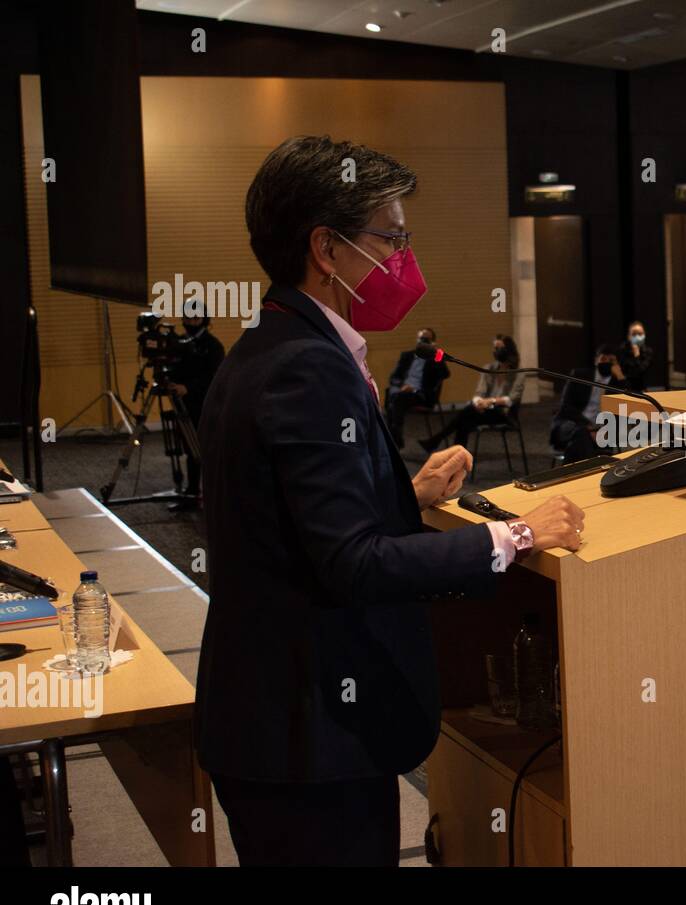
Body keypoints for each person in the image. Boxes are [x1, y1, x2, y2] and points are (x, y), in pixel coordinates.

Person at [196, 135, 584, 866]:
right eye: (392, 237)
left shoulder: (270, 339)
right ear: (328, 249)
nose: (404, 258)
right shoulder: (308, 367)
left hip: (276, 723)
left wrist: (400, 491)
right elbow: (351, 564)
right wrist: (517, 538)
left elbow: (288, 520)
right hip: (307, 737)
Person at [166, 299, 225, 510]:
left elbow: (214, 377)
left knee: (200, 450)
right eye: (187, 318)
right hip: (184, 406)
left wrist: (188, 388)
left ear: (204, 319)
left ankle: (206, 493)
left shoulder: (213, 346)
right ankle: (191, 491)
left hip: (205, 405)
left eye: (195, 318)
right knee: (188, 450)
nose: (191, 322)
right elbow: (174, 369)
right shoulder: (180, 344)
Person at [421, 334, 524, 451]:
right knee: (465, 421)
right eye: (494, 348)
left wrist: (490, 401)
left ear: (509, 350)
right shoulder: (488, 368)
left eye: (499, 348)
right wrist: (478, 402)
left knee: (466, 415)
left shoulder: (519, 372)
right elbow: (479, 392)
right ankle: (454, 454)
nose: (496, 351)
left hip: (504, 414)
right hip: (484, 410)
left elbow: (512, 399)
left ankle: (439, 443)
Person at [551, 343, 624, 462]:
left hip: (602, 430)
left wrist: (621, 376)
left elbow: (628, 404)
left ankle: (571, 473)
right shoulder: (579, 376)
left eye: (611, 360)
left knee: (578, 444)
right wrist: (589, 427)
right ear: (596, 360)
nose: (607, 362)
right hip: (572, 423)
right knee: (582, 435)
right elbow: (566, 406)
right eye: (603, 359)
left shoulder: (616, 383)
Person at [385, 327, 449, 450]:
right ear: (417, 340)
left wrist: (437, 354)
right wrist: (402, 386)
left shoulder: (435, 359)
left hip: (420, 394)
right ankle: (395, 435)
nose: (423, 342)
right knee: (392, 393)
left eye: (427, 339)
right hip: (402, 391)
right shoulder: (407, 355)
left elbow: (445, 374)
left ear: (432, 342)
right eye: (421, 338)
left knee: (394, 398)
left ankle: (394, 436)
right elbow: (394, 377)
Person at [616, 321, 653, 393]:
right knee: (622, 404)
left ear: (644, 335)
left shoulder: (648, 351)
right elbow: (624, 371)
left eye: (640, 334)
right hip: (624, 390)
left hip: (642, 390)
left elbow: (641, 371)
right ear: (628, 336)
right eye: (634, 334)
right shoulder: (622, 350)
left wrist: (636, 355)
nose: (637, 337)